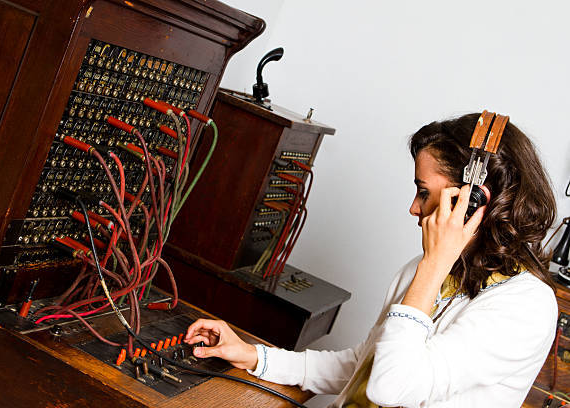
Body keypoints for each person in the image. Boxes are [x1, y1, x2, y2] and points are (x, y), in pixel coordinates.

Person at [184, 112, 558, 408]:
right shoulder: (421, 270)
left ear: (471, 203)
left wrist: (433, 265)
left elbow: (391, 386)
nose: (414, 208)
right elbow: (364, 365)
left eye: (423, 193)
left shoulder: (525, 306)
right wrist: (254, 356)